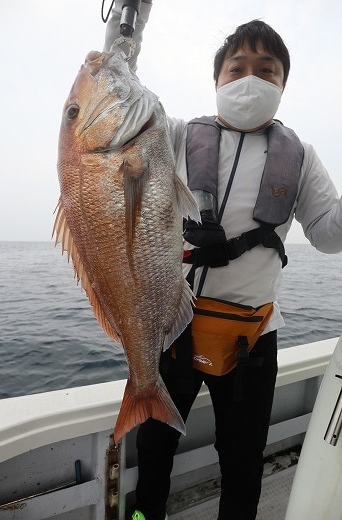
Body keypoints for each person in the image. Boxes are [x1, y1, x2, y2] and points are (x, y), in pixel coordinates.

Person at [104, 2, 342, 519]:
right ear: (217, 78)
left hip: (252, 337)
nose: (251, 78)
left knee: (242, 463)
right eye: (238, 67)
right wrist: (129, 19)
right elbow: (113, 92)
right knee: (154, 454)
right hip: (170, 325)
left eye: (267, 70)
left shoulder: (299, 155)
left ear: (284, 85)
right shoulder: (176, 134)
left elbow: (328, 234)